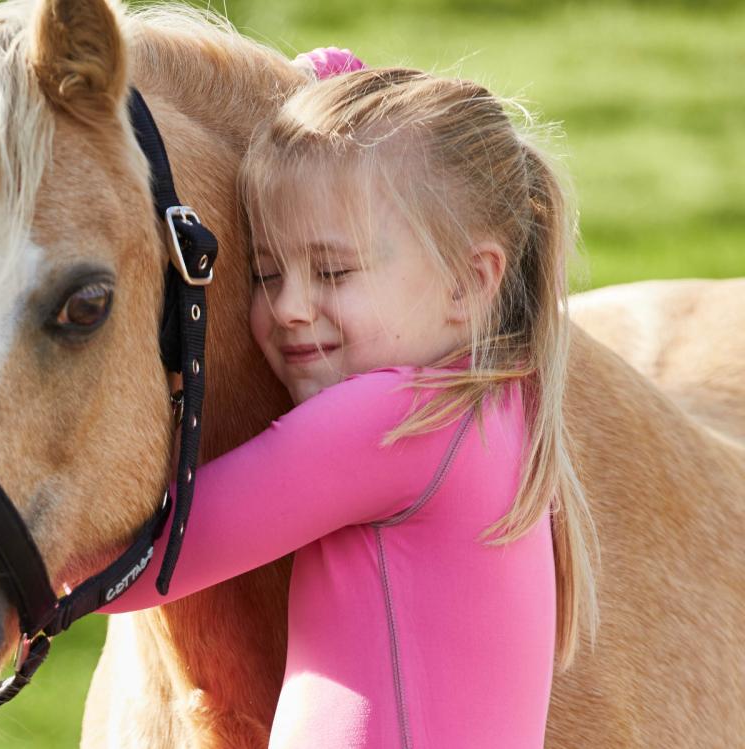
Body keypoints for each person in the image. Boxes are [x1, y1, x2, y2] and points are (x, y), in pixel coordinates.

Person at [100, 61, 599, 748]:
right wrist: (323, 81)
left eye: (333, 272)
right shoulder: (503, 399)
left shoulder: (391, 419)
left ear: (468, 282)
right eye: (268, 274)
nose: (290, 307)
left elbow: (144, 561)